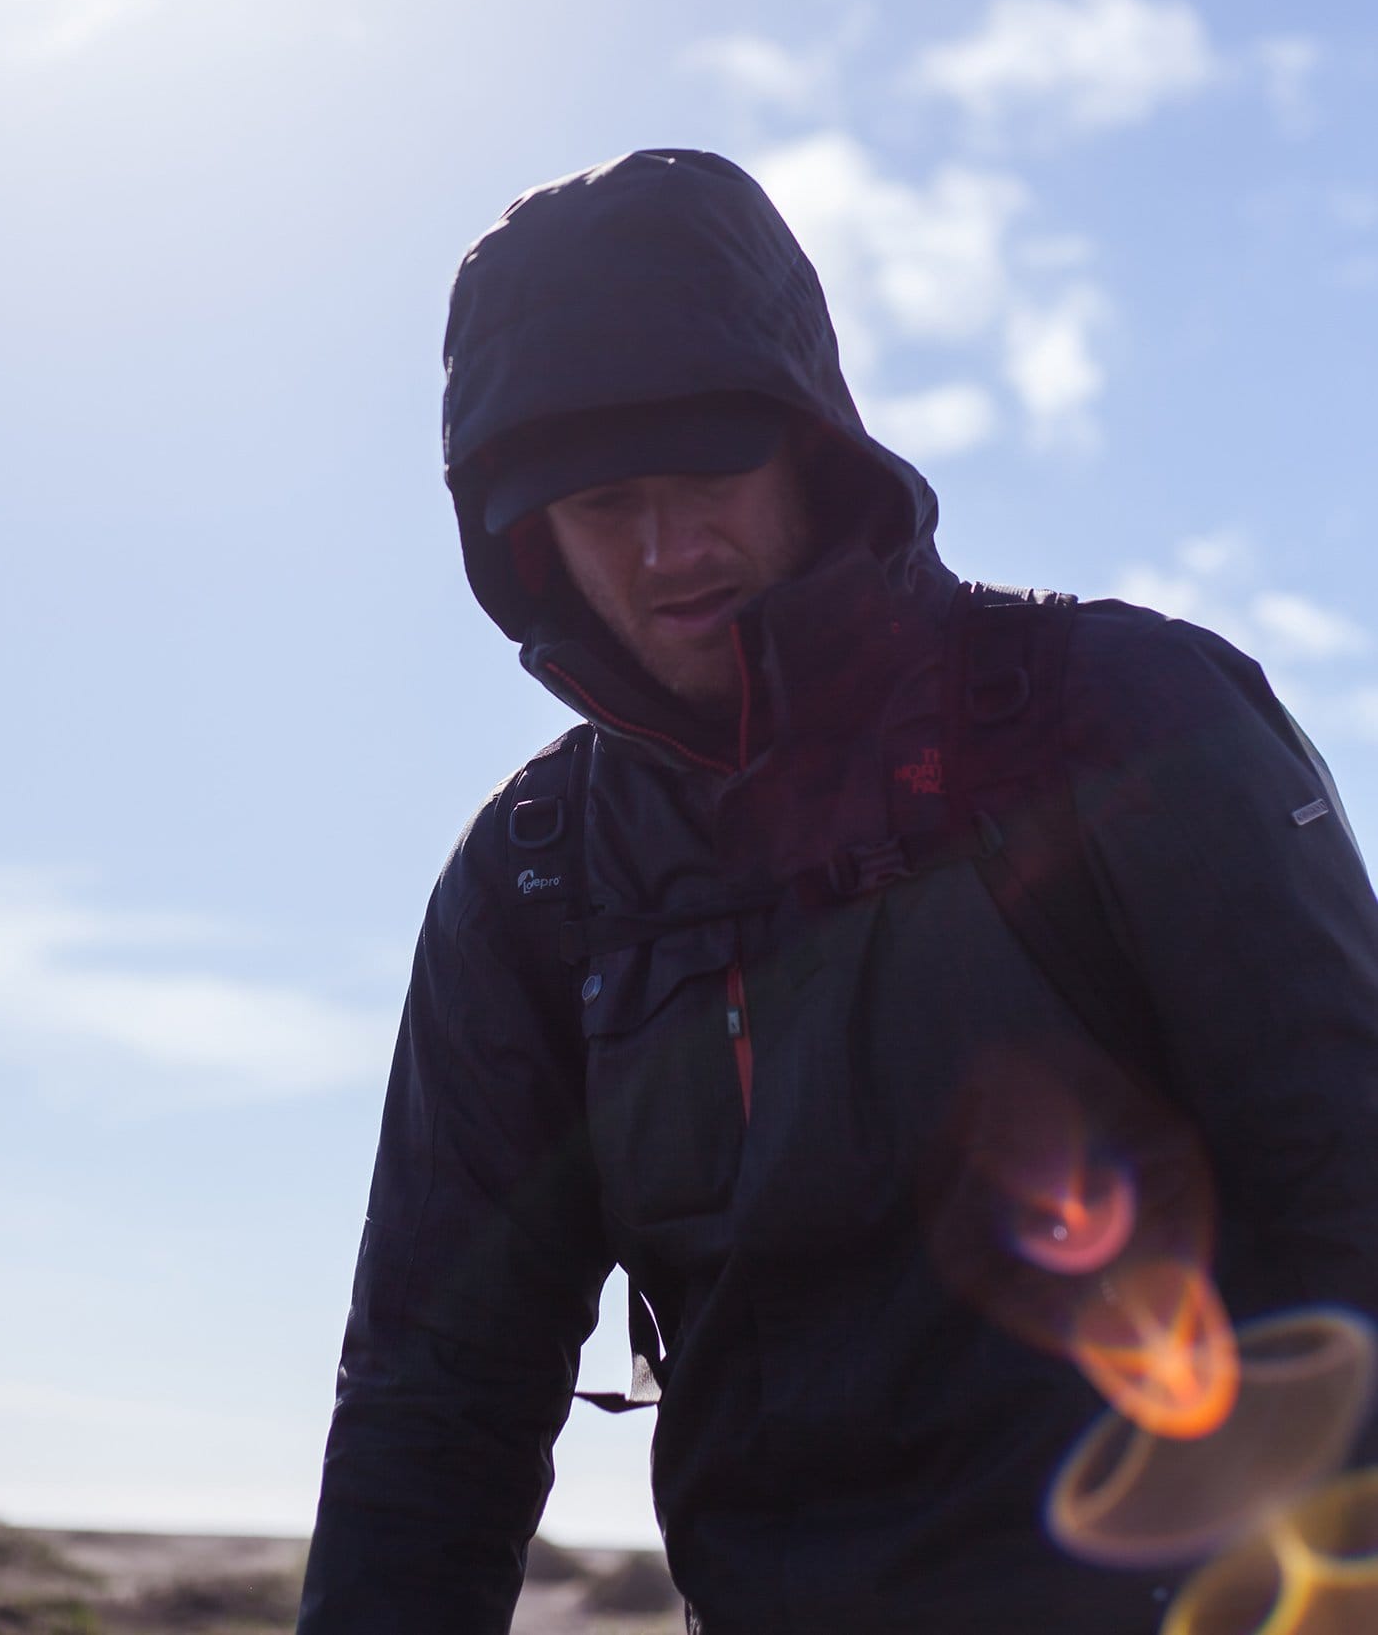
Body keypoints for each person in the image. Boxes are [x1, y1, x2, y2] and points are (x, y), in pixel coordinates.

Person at [296, 148, 1378, 1635]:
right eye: (608, 503)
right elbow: (436, 1404)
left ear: (811, 441)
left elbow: (1352, 1200)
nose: (670, 549)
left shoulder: (1131, 716)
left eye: (708, 471)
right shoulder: (530, 885)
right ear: (519, 532)